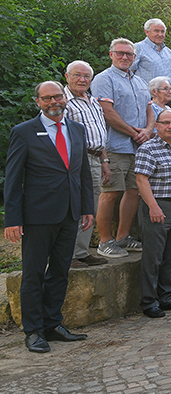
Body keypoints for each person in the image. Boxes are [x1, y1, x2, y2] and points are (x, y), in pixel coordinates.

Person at [5, 81, 94, 352]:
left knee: (60, 271)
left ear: (64, 98)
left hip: (69, 213)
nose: (53, 102)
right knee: (33, 274)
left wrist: (87, 207)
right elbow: (13, 178)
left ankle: (52, 323)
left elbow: (82, 173)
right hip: (38, 215)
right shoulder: (24, 132)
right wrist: (12, 218)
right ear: (38, 102)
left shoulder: (77, 129)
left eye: (57, 96)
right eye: (47, 98)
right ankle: (33, 331)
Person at [91, 38, 155, 258]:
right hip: (115, 146)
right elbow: (107, 113)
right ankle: (104, 241)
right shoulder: (103, 79)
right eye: (120, 53)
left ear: (134, 57)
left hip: (138, 147)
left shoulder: (139, 81)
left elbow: (150, 109)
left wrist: (148, 130)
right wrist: (135, 133)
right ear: (111, 54)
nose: (125, 57)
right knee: (110, 193)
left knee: (134, 191)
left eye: (129, 54)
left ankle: (123, 236)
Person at [134, 110, 171, 318]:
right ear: (157, 125)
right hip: (158, 206)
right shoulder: (147, 149)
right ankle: (149, 302)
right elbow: (141, 180)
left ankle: (168, 296)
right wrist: (153, 206)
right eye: (166, 123)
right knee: (154, 256)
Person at [63, 61, 109, 268]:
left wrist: (105, 160)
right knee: (73, 206)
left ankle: (81, 252)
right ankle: (68, 254)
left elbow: (100, 133)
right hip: (76, 160)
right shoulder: (63, 102)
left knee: (90, 204)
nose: (82, 80)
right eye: (77, 75)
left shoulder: (93, 101)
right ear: (67, 77)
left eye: (87, 76)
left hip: (96, 157)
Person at [130, 18, 171, 106]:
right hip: (148, 100)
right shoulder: (138, 48)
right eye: (156, 31)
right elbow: (129, 74)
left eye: (162, 31)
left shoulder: (168, 52)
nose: (160, 34)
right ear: (147, 32)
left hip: (169, 101)